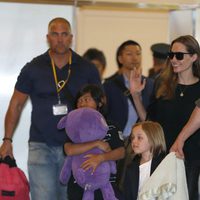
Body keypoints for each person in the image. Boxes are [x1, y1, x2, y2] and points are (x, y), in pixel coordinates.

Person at [0, 17, 101, 200]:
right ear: (48, 37)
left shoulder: (87, 68)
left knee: (70, 197)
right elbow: (16, 104)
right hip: (41, 145)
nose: (60, 39)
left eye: (64, 34)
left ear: (71, 38)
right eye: (55, 34)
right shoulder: (33, 68)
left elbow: (99, 105)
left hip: (76, 147)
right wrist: (7, 139)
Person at [129, 35, 200, 200]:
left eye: (179, 55)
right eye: (171, 55)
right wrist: (136, 96)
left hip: (191, 159)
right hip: (161, 156)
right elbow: (149, 123)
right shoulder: (162, 84)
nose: (174, 59)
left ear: (194, 57)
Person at [63, 84, 125, 200]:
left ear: (100, 102)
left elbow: (121, 152)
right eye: (79, 101)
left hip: (107, 187)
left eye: (86, 99)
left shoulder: (111, 125)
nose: (82, 103)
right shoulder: (74, 129)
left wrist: (101, 158)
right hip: (79, 188)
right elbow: (69, 150)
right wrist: (96, 143)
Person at [103, 40, 154, 139]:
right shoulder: (109, 86)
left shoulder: (150, 84)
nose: (135, 58)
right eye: (129, 54)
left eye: (138, 54)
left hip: (144, 138)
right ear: (120, 59)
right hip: (119, 138)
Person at [123, 121, 166, 200]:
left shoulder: (164, 164)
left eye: (139, 138)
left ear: (153, 138)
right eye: (132, 138)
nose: (134, 141)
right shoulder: (131, 168)